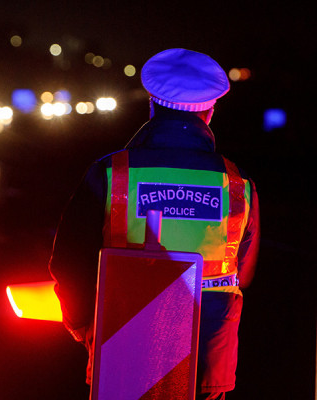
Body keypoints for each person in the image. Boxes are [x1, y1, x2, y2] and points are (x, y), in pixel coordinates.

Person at [49, 48, 260, 399]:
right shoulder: (238, 182)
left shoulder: (111, 172)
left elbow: (69, 261)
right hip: (207, 365)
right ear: (209, 112)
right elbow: (244, 272)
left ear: (152, 104)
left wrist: (85, 326)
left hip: (125, 351)